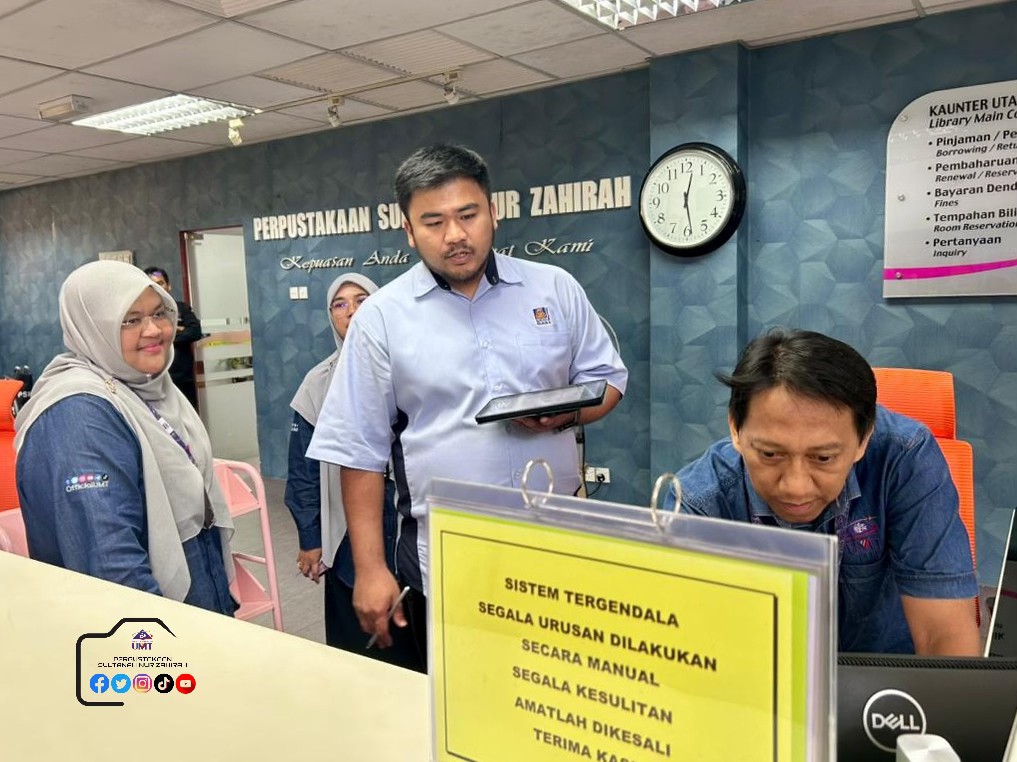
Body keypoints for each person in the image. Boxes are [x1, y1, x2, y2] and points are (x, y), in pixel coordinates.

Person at [307, 143, 628, 667]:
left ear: (492, 213)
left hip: (558, 544)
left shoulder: (554, 289)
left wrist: (566, 414)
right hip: (448, 559)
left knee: (561, 686)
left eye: (468, 215)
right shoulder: (381, 319)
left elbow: (608, 379)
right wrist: (369, 568)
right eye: (433, 222)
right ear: (409, 231)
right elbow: (358, 450)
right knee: (464, 690)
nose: (454, 234)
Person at [669, 328, 980, 655]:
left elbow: (943, 634)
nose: (796, 487)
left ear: (863, 438)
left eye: (823, 458)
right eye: (771, 454)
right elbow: (683, 650)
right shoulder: (698, 503)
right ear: (735, 428)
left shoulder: (903, 458)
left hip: (887, 677)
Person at [15, 260, 236, 615]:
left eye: (159, 313)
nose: (154, 330)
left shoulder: (151, 389)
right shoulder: (80, 414)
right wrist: (157, 642)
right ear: (92, 326)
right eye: (130, 320)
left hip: (195, 599)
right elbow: (111, 566)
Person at [285, 272, 420, 669]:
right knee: (358, 643)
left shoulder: (415, 367)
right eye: (339, 304)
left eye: (362, 300)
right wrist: (311, 539)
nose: (351, 310)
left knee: (418, 636)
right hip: (349, 528)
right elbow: (303, 470)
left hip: (411, 520)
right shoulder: (317, 383)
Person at [144, 266, 202, 410]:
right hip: (153, 379)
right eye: (152, 285)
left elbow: (195, 331)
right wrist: (178, 330)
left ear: (168, 286)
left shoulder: (181, 308)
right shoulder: (141, 314)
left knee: (189, 417)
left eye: (160, 283)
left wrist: (165, 336)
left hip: (183, 377)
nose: (158, 288)